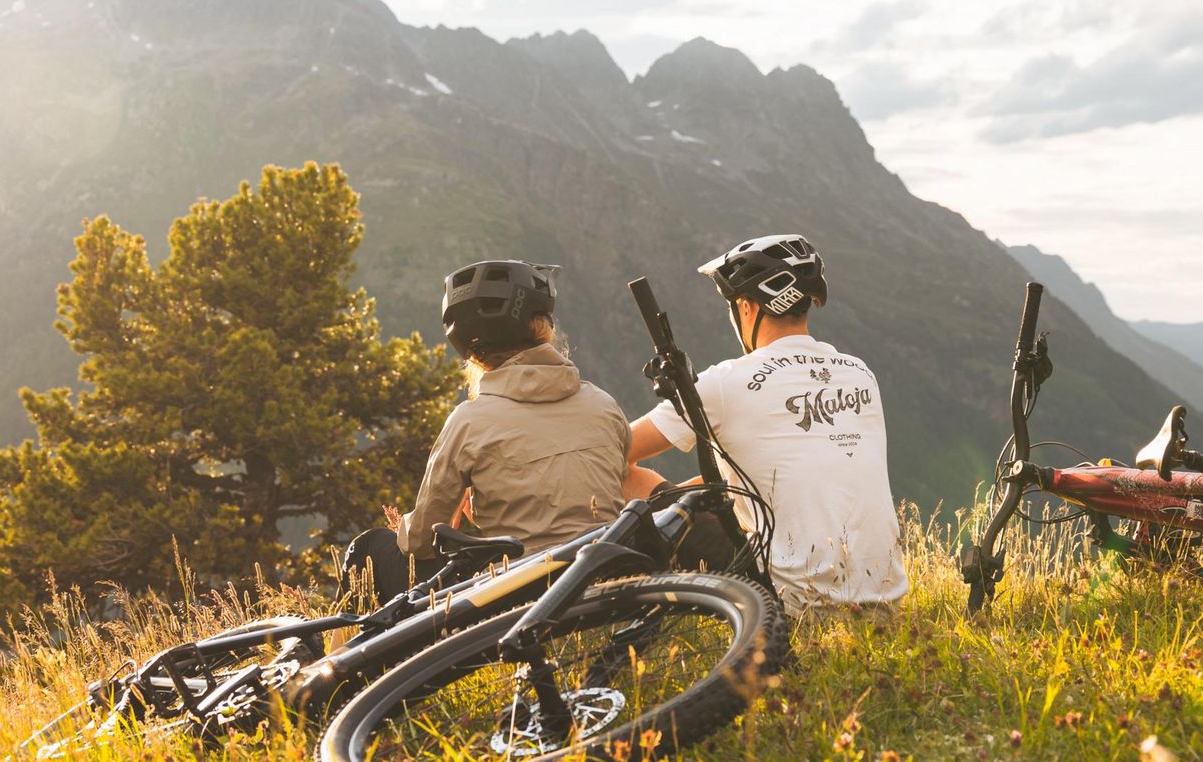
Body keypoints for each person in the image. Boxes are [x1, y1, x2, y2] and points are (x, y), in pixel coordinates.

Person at [623, 235, 908, 614]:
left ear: (746, 307)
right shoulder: (860, 374)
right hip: (885, 600)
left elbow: (612, 450)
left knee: (623, 475)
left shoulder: (725, 382)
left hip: (790, 602)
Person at [342, 260, 630, 597]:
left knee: (371, 549)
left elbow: (419, 542)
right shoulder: (604, 405)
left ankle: (330, 653)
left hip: (517, 596)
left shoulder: (469, 422)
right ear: (544, 329)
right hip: (605, 581)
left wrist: (408, 526)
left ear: (473, 353)